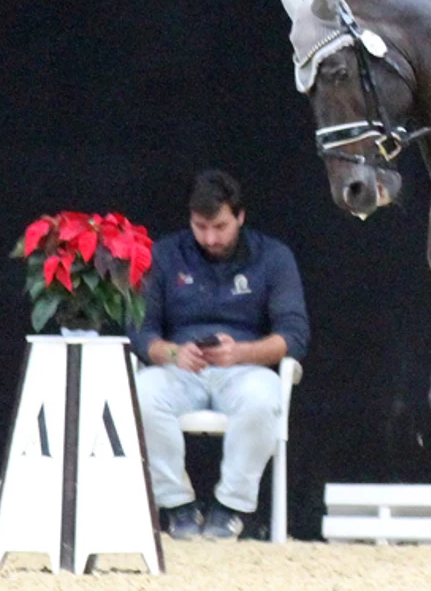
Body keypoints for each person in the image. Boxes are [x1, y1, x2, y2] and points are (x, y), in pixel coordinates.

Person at [129, 170, 310, 540]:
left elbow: (294, 335)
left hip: (243, 367)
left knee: (264, 399)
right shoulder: (164, 254)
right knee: (141, 395)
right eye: (200, 227)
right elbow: (139, 329)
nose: (210, 238)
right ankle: (176, 506)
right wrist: (171, 351)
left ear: (240, 217)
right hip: (180, 368)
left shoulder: (273, 257)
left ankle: (230, 508)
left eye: (220, 226)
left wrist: (243, 352)